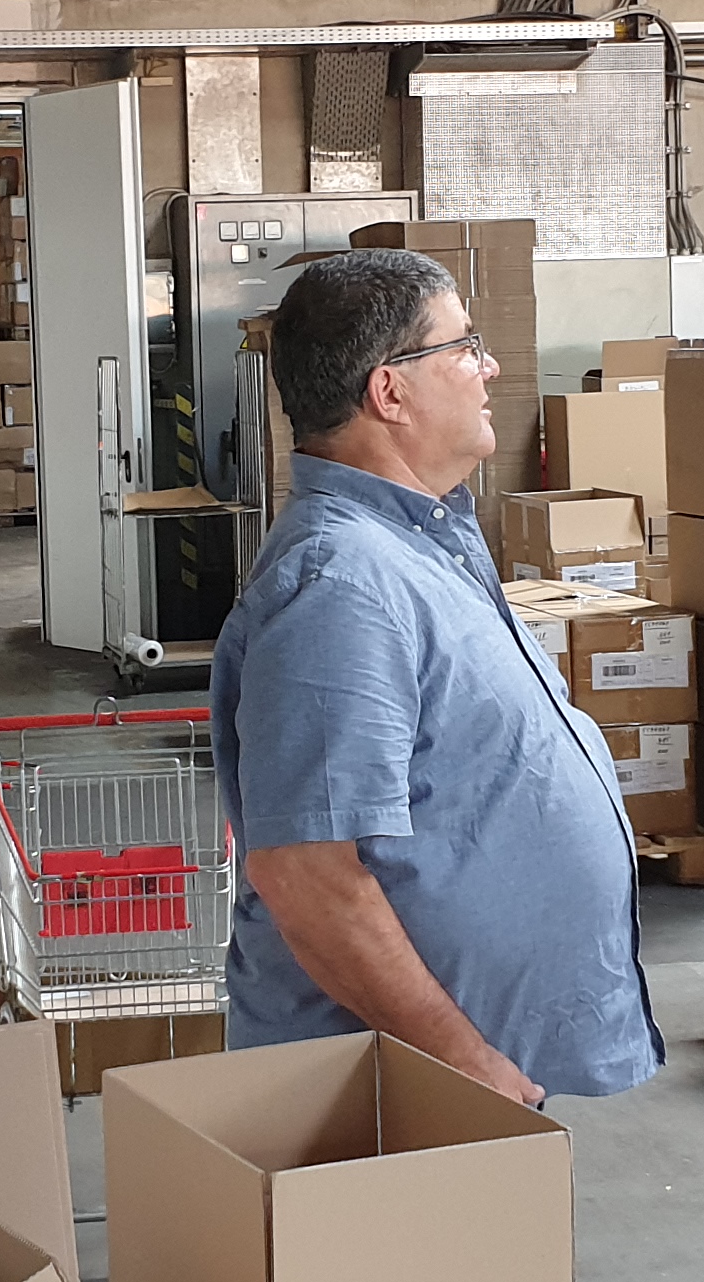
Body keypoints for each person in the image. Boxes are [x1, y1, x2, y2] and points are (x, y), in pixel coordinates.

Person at [209, 248, 663, 1104]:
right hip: (403, 1088)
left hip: (457, 1076)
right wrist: (466, 1063)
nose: (490, 369)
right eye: (465, 346)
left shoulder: (420, 542)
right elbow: (308, 872)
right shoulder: (342, 587)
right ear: (390, 392)